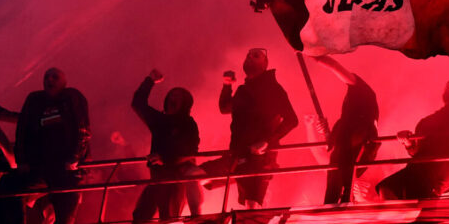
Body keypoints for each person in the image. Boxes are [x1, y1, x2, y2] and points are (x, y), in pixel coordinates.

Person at [376, 57, 449, 200]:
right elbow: (417, 152)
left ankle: (426, 212)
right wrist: (408, 142)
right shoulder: (425, 122)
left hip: (444, 165)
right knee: (385, 188)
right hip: (420, 165)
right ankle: (402, 217)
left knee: (422, 186)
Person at [210, 48, 298, 209]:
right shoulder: (243, 90)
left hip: (261, 158)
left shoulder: (273, 89)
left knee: (252, 204)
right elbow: (225, 108)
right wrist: (227, 85)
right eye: (248, 55)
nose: (250, 57)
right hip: (238, 154)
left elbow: (292, 120)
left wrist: (267, 142)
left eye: (256, 55)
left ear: (265, 64)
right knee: (199, 176)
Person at [15, 67, 90, 224]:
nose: (49, 80)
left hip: (65, 169)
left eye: (54, 77)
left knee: (66, 213)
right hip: (40, 166)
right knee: (15, 195)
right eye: (46, 77)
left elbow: (82, 128)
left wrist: (75, 157)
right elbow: (22, 130)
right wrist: (21, 160)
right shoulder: (34, 100)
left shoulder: (72, 97)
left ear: (64, 82)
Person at [130, 69, 202, 222]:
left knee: (168, 217)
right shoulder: (159, 121)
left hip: (176, 179)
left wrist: (166, 159)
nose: (174, 97)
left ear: (186, 102)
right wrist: (149, 81)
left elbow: (191, 151)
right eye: (172, 94)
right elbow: (138, 104)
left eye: (179, 95)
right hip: (157, 178)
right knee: (141, 216)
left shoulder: (188, 123)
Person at [310, 55, 380, 204]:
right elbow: (330, 151)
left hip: (358, 145)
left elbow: (334, 66)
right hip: (354, 152)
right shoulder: (344, 121)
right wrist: (325, 132)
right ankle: (338, 203)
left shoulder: (364, 91)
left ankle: (341, 202)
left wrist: (313, 54)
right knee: (338, 175)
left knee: (342, 175)